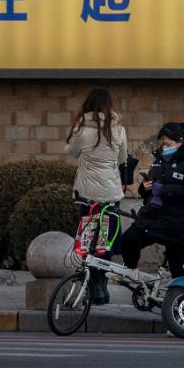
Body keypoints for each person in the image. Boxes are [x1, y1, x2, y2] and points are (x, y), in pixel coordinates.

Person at [116, 122, 184, 279]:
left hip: (179, 222)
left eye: (168, 143)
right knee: (128, 241)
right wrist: (145, 188)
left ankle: (183, 299)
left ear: (180, 141)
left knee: (178, 269)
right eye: (163, 144)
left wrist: (165, 190)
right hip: (153, 217)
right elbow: (151, 187)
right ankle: (129, 273)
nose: (165, 147)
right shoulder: (160, 159)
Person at [65, 87, 128, 304]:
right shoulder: (118, 128)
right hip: (110, 192)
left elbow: (70, 152)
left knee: (87, 238)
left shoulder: (81, 126)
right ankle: (101, 286)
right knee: (105, 240)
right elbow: (123, 158)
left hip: (87, 193)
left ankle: (90, 285)